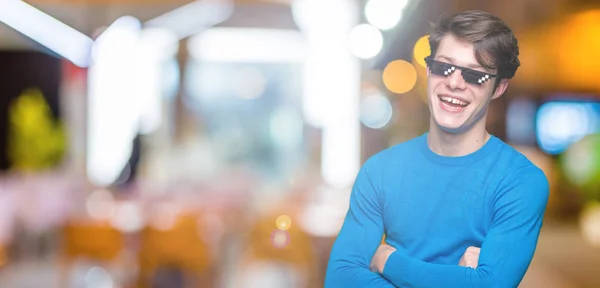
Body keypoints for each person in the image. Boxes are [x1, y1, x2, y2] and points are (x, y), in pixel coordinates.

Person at [325, 10, 549, 288]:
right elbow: (341, 279)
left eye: (475, 75)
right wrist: (457, 279)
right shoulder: (380, 171)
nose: (454, 82)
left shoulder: (521, 181)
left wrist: (387, 261)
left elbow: (491, 284)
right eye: (444, 67)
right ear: (429, 70)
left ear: (499, 87)